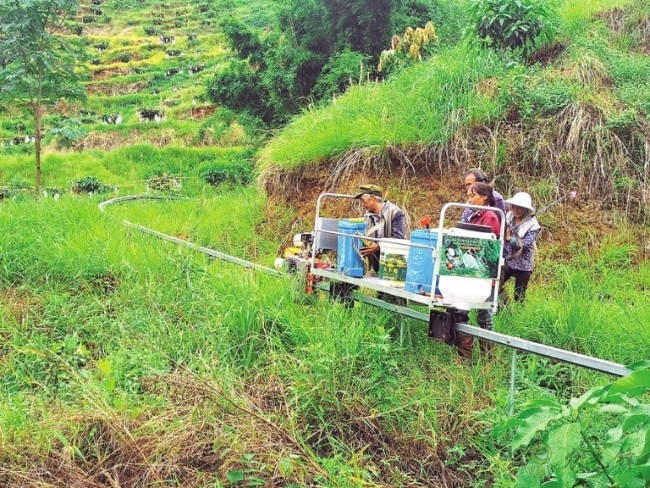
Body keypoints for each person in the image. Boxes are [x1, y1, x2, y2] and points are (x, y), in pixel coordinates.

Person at [456, 182, 503, 358]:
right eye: (468, 195)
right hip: (470, 270)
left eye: (472, 195)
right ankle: (465, 356)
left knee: (484, 314)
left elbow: (487, 245)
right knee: (462, 311)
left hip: (483, 272)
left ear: (484, 197)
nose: (469, 199)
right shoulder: (471, 215)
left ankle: (488, 357)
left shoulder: (490, 216)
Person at [354, 184, 406, 273]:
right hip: (375, 266)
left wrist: (378, 246)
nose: (362, 204)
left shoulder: (395, 212)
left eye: (363, 200)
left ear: (373, 198)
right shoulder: (367, 216)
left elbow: (399, 238)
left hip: (392, 266)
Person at [503, 192, 541, 302]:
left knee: (519, 295)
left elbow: (526, 244)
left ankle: (518, 316)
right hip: (508, 261)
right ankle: (505, 307)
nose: (516, 210)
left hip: (524, 264)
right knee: (496, 286)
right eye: (514, 207)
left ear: (525, 209)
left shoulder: (533, 224)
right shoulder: (508, 217)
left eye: (519, 208)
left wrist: (510, 239)